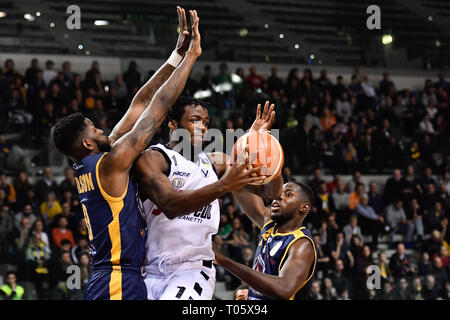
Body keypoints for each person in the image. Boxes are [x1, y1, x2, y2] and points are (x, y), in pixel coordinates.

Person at [51, 6, 198, 300]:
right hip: (117, 279)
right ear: (87, 144)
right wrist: (192, 57)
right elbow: (156, 111)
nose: (102, 129)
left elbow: (140, 103)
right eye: (94, 128)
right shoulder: (110, 165)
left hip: (116, 275)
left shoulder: (100, 162)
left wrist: (176, 55)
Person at [137, 100, 281, 300]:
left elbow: (270, 193)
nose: (202, 127)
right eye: (194, 121)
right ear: (173, 124)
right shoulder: (154, 159)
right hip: (148, 270)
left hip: (193, 269)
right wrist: (223, 185)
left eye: (205, 123)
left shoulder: (216, 163)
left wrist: (259, 147)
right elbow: (170, 205)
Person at [214, 182, 318, 300]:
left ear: (304, 207)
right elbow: (241, 188)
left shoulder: (301, 244)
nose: (278, 196)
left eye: (288, 194)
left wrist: (223, 260)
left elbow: (284, 289)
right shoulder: (269, 226)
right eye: (279, 192)